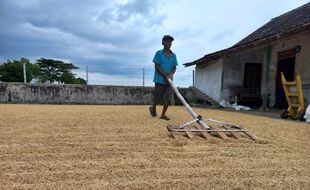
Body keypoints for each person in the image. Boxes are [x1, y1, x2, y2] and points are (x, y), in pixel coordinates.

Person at [149, 35, 178, 120]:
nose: (168, 43)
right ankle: (153, 107)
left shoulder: (173, 55)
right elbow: (157, 66)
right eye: (166, 41)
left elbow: (174, 67)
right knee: (157, 97)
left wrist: (171, 74)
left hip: (169, 81)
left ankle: (163, 115)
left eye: (170, 42)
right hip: (159, 79)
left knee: (167, 98)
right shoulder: (159, 53)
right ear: (163, 43)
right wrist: (165, 75)